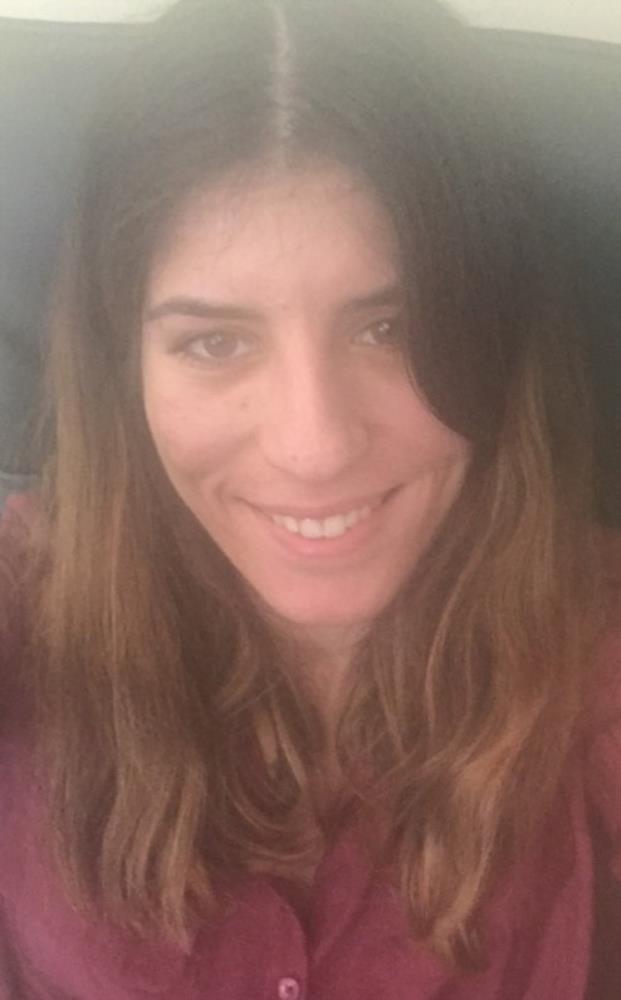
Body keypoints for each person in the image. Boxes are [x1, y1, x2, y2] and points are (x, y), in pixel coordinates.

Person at [0, 0, 619, 996]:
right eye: (214, 342)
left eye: (389, 328)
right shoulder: (30, 602)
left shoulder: (592, 652)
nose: (315, 446)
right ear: (125, 371)